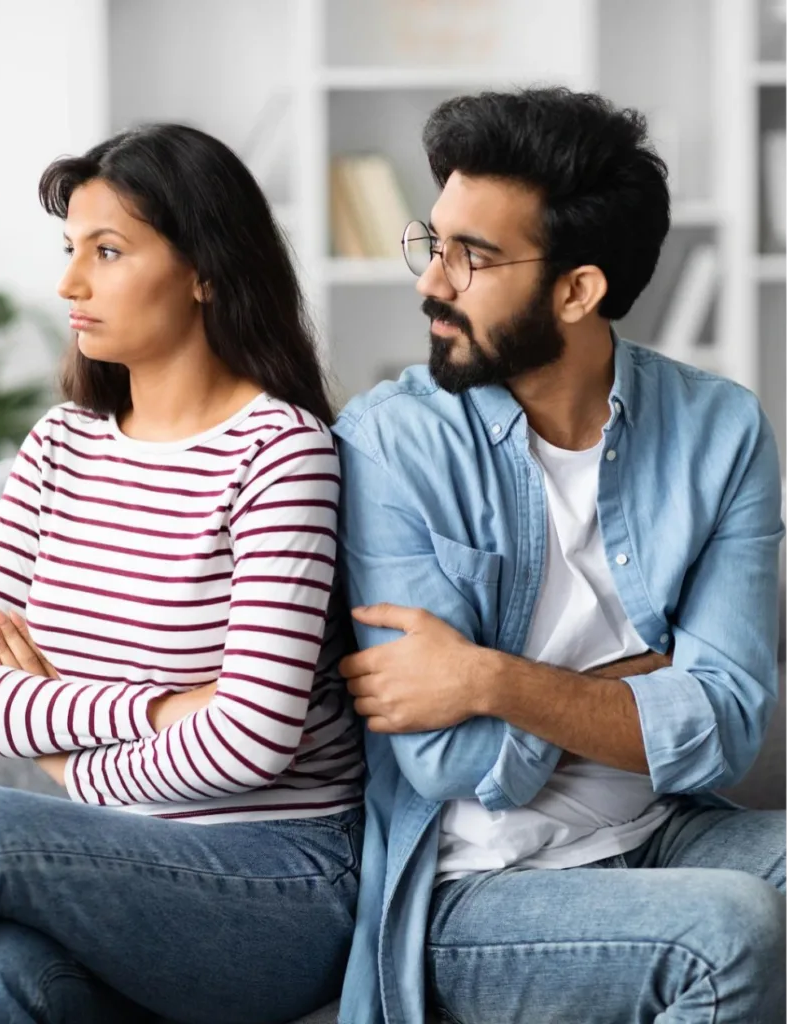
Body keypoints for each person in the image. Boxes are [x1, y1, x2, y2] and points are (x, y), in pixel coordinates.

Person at [333, 88, 787, 1023]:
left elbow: (729, 726)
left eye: (475, 257)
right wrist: (645, 688)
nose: (430, 282)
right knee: (730, 929)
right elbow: (452, 762)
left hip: (666, 834)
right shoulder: (390, 445)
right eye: (435, 243)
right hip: (478, 886)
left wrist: (492, 679)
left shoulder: (722, 429)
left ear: (579, 290)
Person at [0, 123, 363, 1024]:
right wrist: (161, 708)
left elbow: (252, 740)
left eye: (108, 251)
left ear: (206, 270)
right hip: (118, 861)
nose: (69, 285)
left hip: (281, 880)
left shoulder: (282, 454)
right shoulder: (60, 445)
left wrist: (59, 757)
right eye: (70, 250)